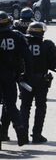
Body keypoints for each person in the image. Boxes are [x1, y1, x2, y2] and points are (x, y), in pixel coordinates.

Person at [20, 22, 56, 143]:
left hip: (25, 79)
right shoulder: (47, 45)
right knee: (40, 107)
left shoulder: (23, 43)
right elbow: (54, 64)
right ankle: (37, 134)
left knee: (25, 107)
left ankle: (23, 135)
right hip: (41, 79)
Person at [0, 11, 32, 146]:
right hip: (10, 76)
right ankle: (20, 131)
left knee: (10, 105)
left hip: (9, 75)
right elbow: (27, 57)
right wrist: (24, 74)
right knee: (11, 105)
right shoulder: (17, 36)